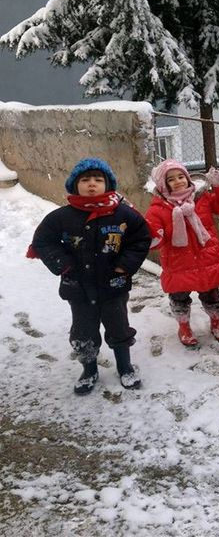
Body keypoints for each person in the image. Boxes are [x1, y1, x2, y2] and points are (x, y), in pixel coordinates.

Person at [29, 158, 152, 394]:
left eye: (98, 179)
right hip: (78, 288)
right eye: (85, 180)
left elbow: (140, 240)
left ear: (108, 184)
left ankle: (125, 366)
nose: (92, 184)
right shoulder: (62, 217)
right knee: (83, 331)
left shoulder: (124, 215)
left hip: (113, 285)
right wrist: (63, 264)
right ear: (75, 185)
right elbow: (43, 241)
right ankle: (89, 369)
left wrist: (124, 266)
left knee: (119, 327)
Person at [145, 160, 219, 347]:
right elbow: (154, 238)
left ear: (188, 178)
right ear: (163, 185)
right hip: (179, 263)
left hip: (206, 260)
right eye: (171, 179)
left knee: (212, 296)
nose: (178, 181)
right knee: (179, 299)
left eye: (181, 176)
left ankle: (216, 323)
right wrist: (152, 236)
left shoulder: (202, 198)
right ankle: (184, 327)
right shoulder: (158, 209)